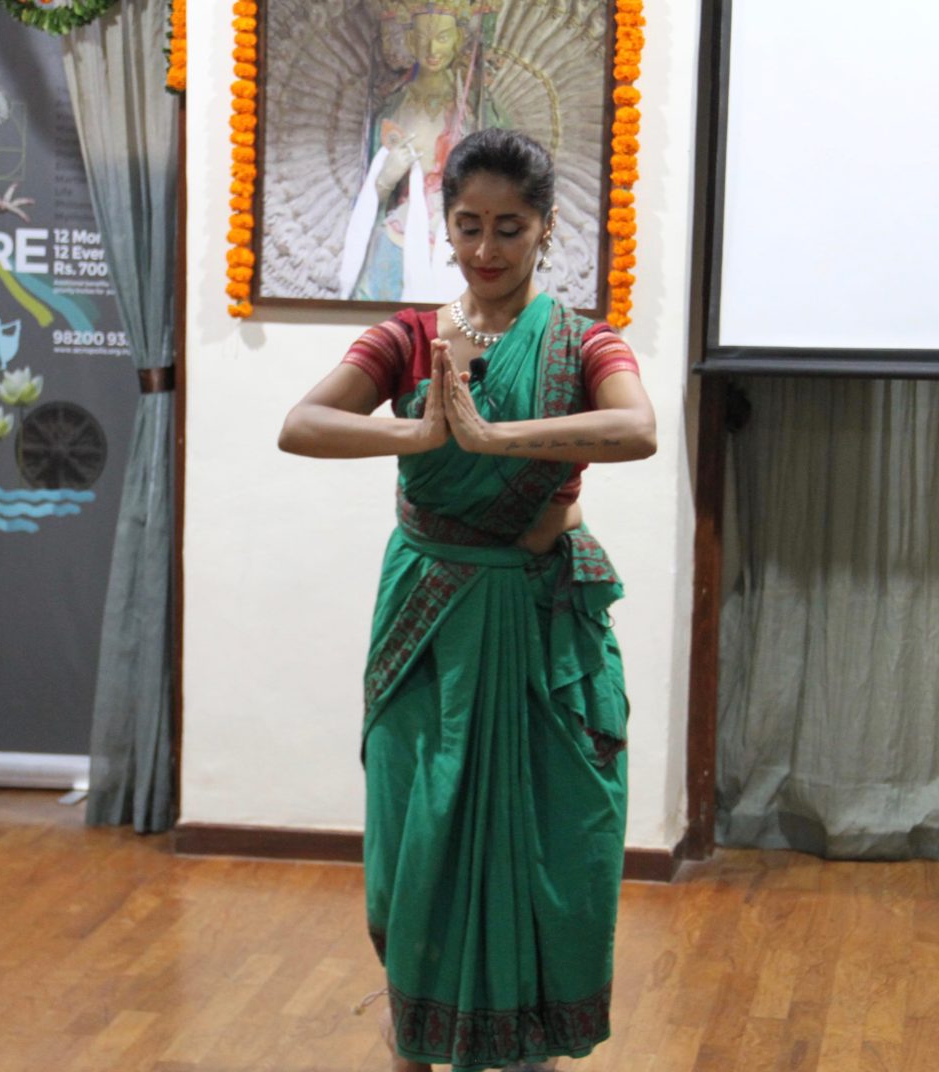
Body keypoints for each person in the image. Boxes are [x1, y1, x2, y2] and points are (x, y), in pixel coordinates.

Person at [281, 128, 655, 1072]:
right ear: (444, 225)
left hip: (538, 629)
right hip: (430, 625)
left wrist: (496, 439)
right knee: (416, 834)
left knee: (551, 837)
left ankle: (524, 1043)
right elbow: (303, 424)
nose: (486, 249)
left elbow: (637, 427)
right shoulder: (409, 337)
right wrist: (419, 437)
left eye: (510, 228)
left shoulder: (583, 342)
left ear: (546, 228)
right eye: (469, 226)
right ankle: (416, 1031)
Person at [338, 1, 507, 302]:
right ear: (410, 41)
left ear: (457, 39)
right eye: (423, 37)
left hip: (460, 230)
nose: (432, 48)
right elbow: (372, 192)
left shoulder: (477, 110)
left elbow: (502, 178)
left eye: (442, 37)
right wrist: (387, 177)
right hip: (400, 229)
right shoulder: (393, 106)